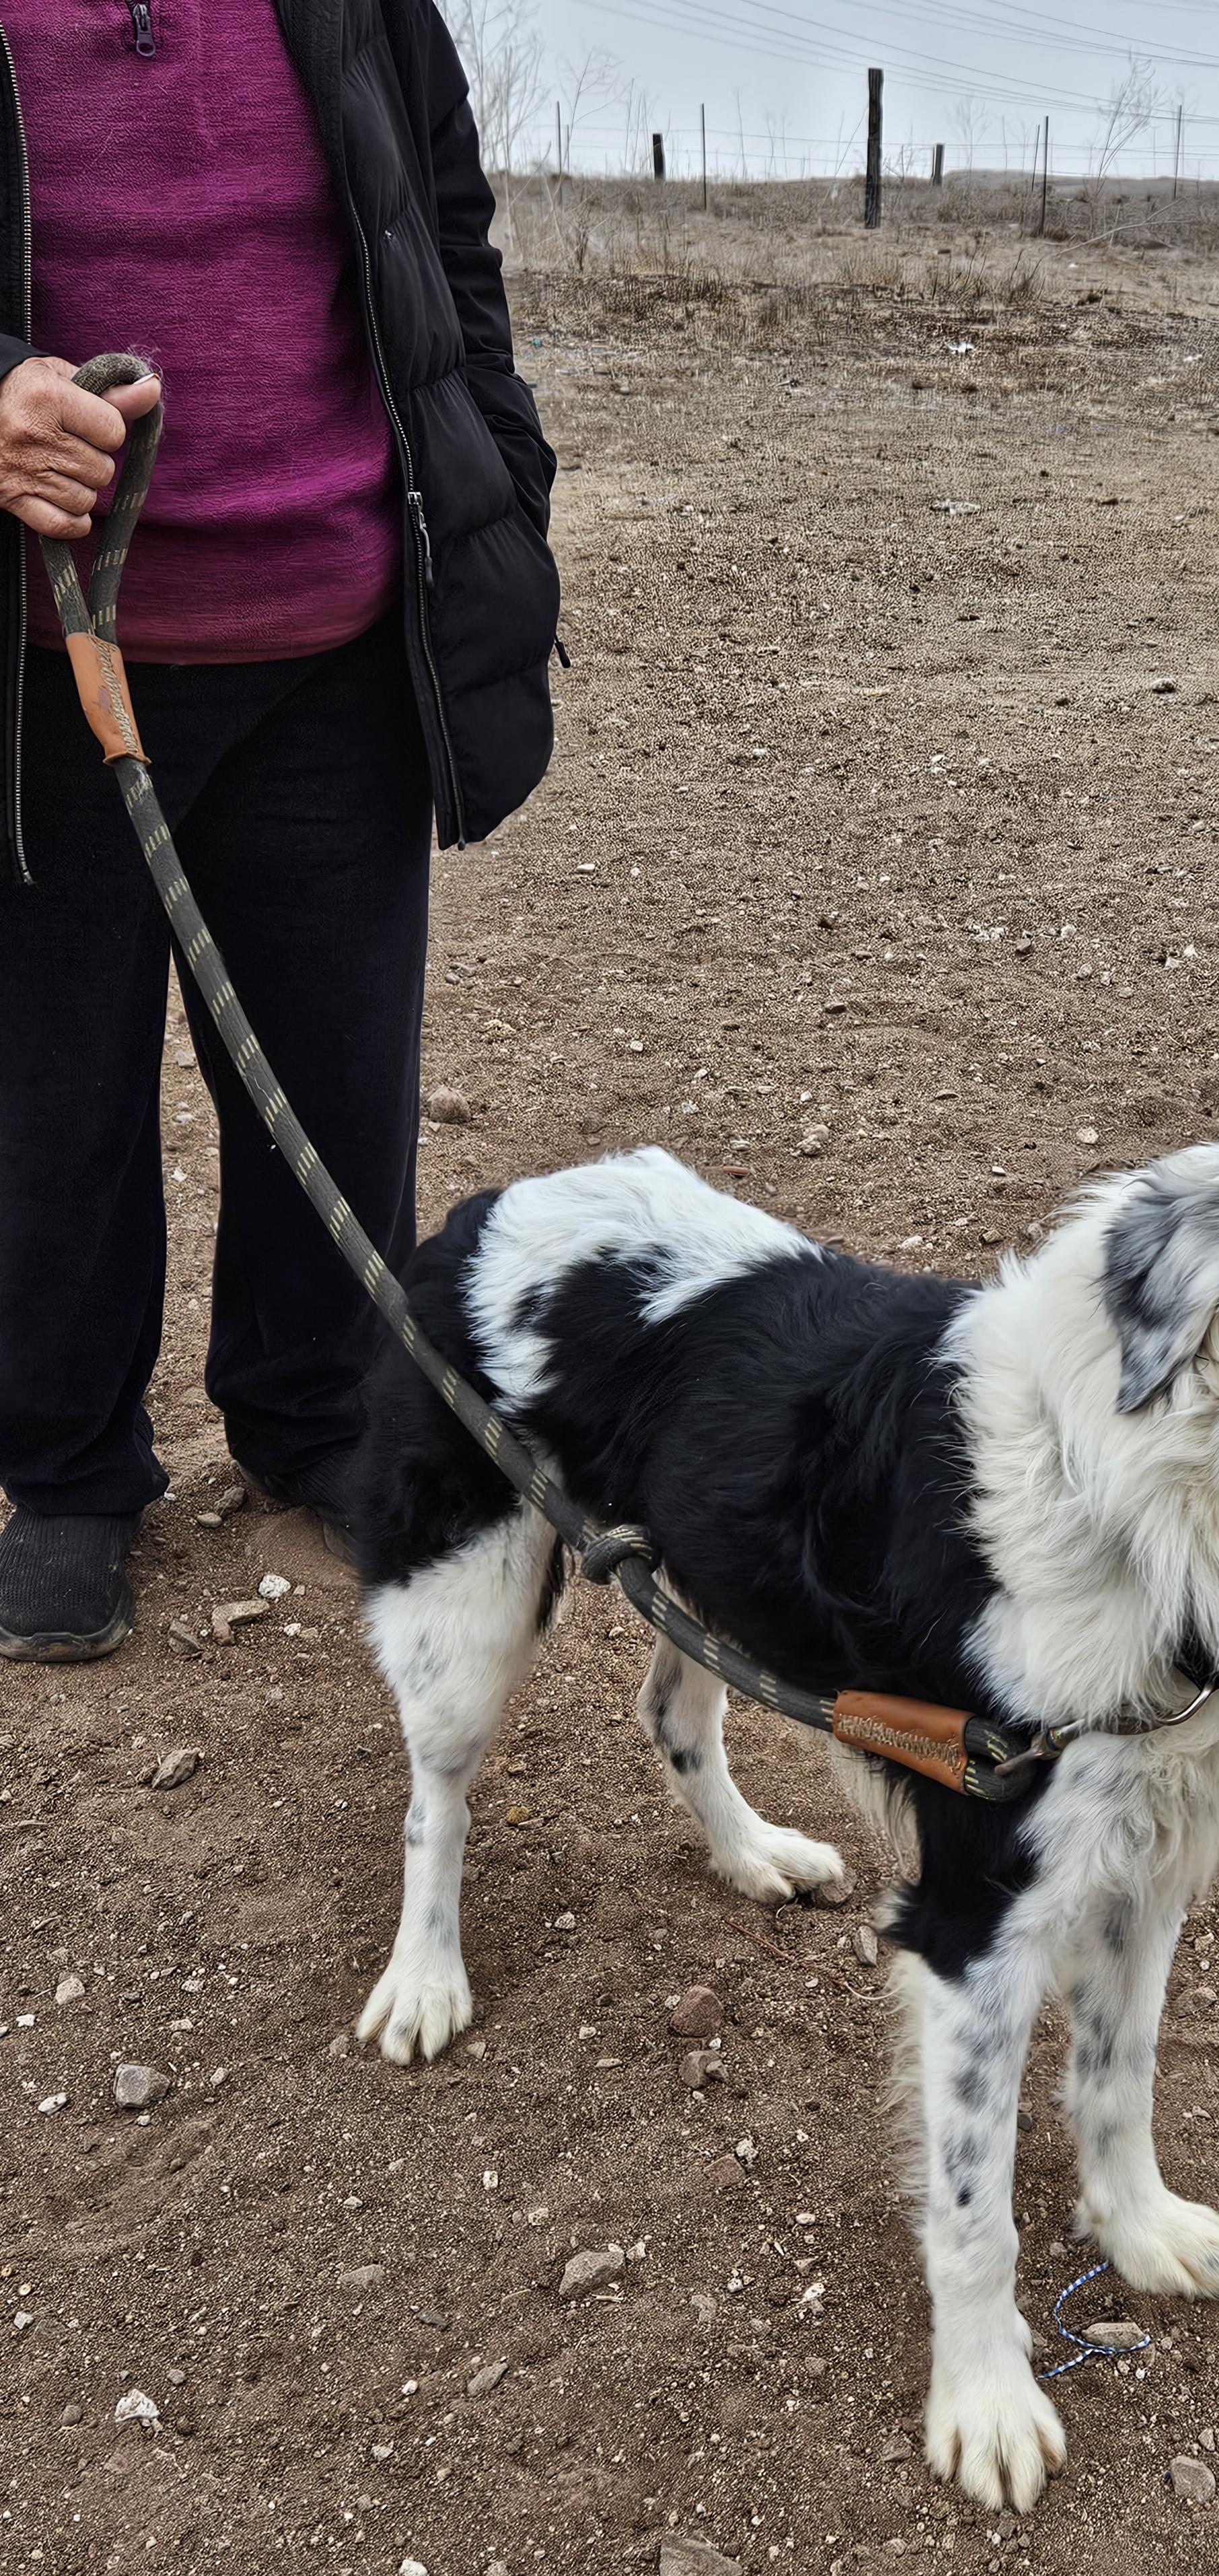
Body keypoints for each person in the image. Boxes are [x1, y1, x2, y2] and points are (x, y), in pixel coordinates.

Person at [0, 0, 559, 1661]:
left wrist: (498, 469)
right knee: (51, 1098)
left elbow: (443, 238)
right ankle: (71, 1474)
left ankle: (317, 1414)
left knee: (334, 1074)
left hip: (335, 649)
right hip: (50, 662)